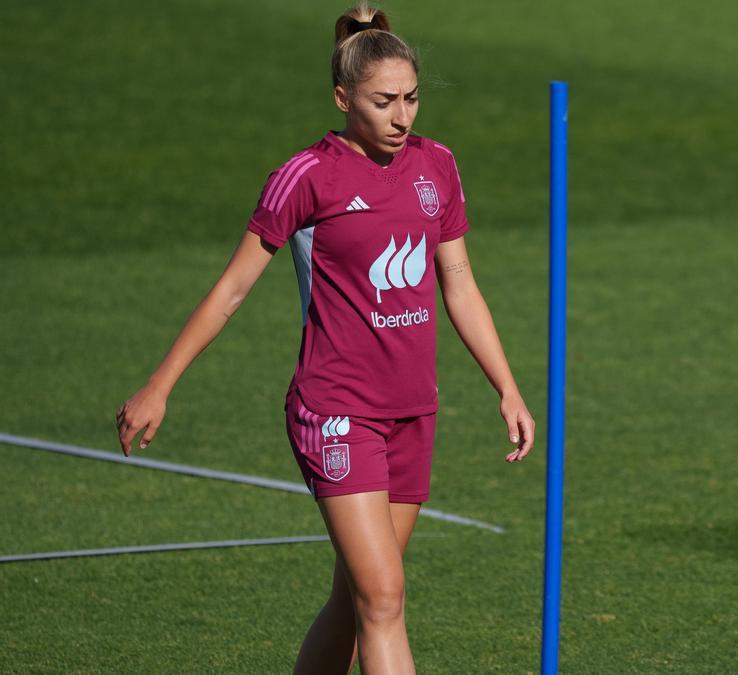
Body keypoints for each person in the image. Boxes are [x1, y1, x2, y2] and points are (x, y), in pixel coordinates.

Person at [115, 4, 535, 673]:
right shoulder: (307, 176)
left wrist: (507, 387)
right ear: (343, 98)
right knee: (385, 597)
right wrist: (159, 385)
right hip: (335, 408)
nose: (403, 118)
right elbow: (230, 290)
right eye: (383, 102)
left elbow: (458, 283)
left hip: (412, 411)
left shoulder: (438, 167)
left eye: (412, 99)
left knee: (356, 598)